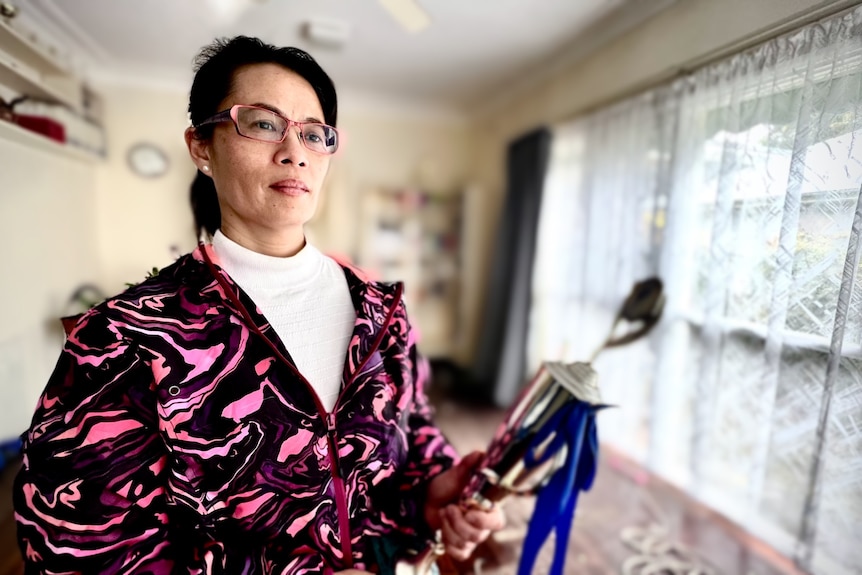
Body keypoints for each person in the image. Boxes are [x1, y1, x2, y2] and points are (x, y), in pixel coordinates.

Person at [13, 36, 504, 574]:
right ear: (202, 147)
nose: (295, 151)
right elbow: (79, 551)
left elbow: (414, 425)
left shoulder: (380, 312)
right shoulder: (126, 339)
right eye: (264, 123)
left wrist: (435, 487)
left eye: (314, 134)